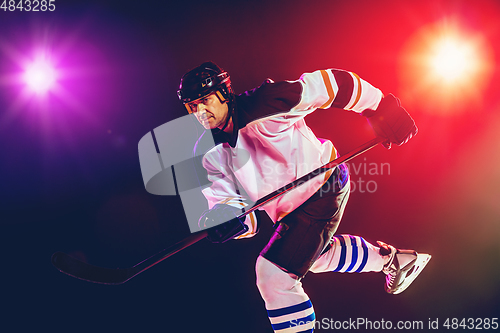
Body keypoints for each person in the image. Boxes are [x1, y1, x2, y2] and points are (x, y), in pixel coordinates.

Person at [177, 61, 431, 332]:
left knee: (273, 275)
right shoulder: (208, 155)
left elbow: (332, 84)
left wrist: (381, 107)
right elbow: (246, 221)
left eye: (205, 100)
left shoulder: (267, 103)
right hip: (290, 214)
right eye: (192, 106)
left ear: (224, 93)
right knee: (316, 257)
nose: (200, 111)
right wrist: (225, 221)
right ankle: (396, 261)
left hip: (323, 186)